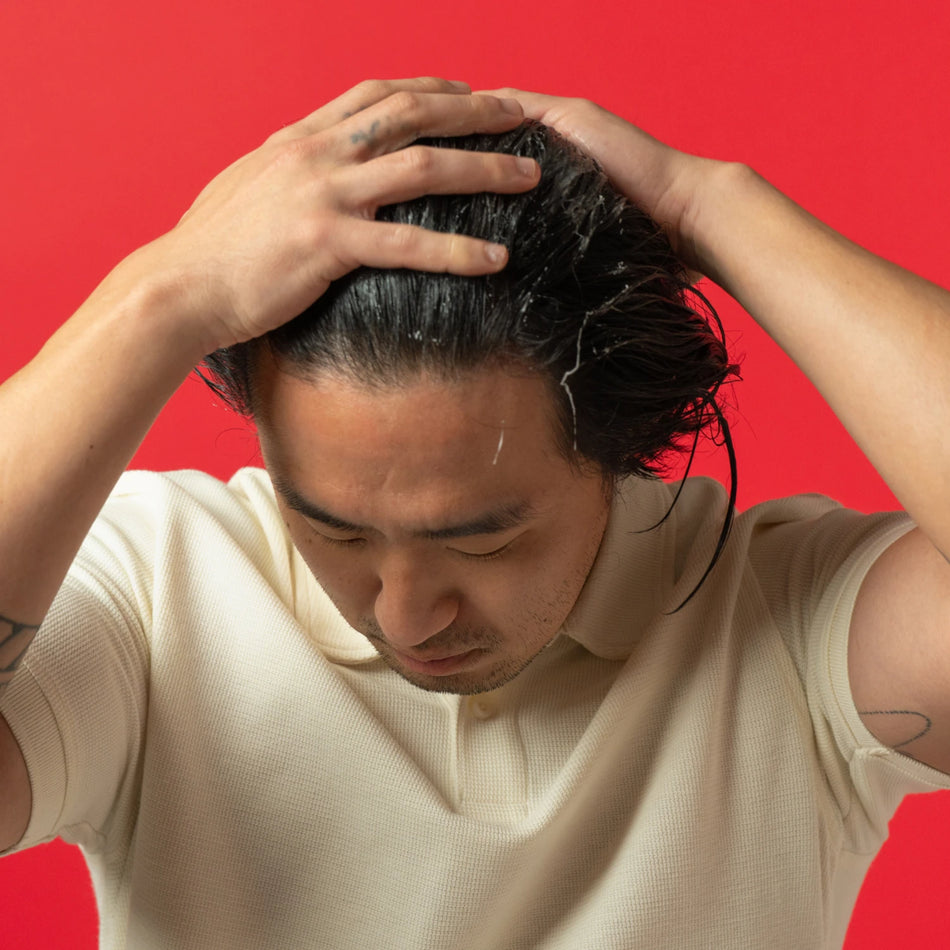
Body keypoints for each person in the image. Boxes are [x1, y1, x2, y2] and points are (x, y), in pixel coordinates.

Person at [0, 76, 947, 948]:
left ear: (616, 453)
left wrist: (712, 204)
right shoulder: (154, 595)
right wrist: (166, 294)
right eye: (333, 530)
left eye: (486, 542)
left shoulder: (788, 628)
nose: (406, 616)